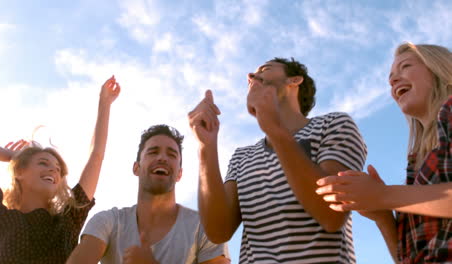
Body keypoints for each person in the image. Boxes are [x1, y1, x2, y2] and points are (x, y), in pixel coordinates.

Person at [188, 58, 367, 263]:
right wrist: (206, 147)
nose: (251, 76)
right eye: (250, 76)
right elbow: (218, 231)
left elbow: (331, 215)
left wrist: (274, 129)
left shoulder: (333, 125)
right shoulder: (242, 156)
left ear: (295, 80)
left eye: (265, 69)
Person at [316, 43, 452, 263]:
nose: (393, 80)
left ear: (439, 68)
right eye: (391, 77)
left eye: (405, 66)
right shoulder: (415, 163)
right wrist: (382, 215)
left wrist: (383, 195)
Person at [0, 76, 120, 263]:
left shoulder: (68, 219)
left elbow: (96, 157)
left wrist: (105, 103)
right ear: (20, 172)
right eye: (43, 163)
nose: (53, 171)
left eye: (57, 169)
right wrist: (11, 155)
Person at [67, 124, 230, 264]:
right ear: (136, 168)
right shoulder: (108, 222)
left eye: (171, 154)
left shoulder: (205, 228)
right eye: (153, 152)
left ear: (179, 174)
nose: (162, 158)